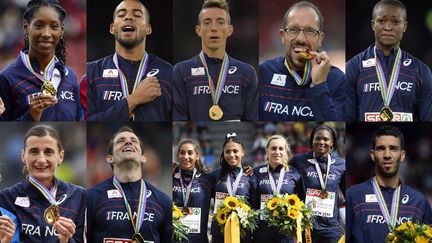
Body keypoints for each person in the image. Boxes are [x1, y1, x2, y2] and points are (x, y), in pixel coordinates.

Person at [346, 0, 432, 122]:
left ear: (405, 27)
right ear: (373, 25)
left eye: (396, 22)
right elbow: (347, 119)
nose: (388, 27)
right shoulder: (353, 68)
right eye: (381, 21)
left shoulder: (421, 71)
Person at [87, 0, 172, 121]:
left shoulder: (168, 73)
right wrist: (135, 99)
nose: (128, 17)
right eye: (121, 15)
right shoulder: (91, 72)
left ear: (148, 29)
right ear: (112, 28)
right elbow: (88, 122)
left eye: (137, 15)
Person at [258, 1, 345, 121]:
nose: (301, 39)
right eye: (293, 29)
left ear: (320, 39)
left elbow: (330, 126)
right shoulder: (264, 73)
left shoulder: (338, 80)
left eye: (310, 31)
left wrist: (319, 85)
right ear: (283, 36)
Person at [173, 0, 258, 121]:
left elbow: (253, 119)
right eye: (207, 22)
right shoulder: (182, 71)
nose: (213, 28)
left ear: (230, 30)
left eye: (220, 22)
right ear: (198, 30)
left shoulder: (246, 72)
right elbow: (178, 119)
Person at [0, 124, 86, 242]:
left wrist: (66, 241)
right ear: (23, 156)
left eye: (48, 152)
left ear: (60, 156)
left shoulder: (79, 196)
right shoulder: (6, 198)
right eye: (34, 152)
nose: (41, 160)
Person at [346, 125, 432, 242]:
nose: (387, 155)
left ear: (402, 155)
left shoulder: (419, 202)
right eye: (381, 148)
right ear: (372, 155)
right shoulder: (353, 196)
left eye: (393, 148)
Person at [87, 126, 172, 242]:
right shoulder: (92, 197)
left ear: (143, 157)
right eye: (121, 141)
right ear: (110, 158)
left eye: (134, 141)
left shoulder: (163, 202)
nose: (128, 142)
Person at [0, 0, 81, 121]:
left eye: (54, 26)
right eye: (39, 25)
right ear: (26, 28)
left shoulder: (70, 76)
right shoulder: (7, 78)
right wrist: (31, 116)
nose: (46, 33)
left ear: (61, 31)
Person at [289, 125, 345, 242]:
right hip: (307, 225)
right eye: (318, 138)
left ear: (332, 142)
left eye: (325, 139)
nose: (321, 142)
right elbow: (282, 172)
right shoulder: (299, 161)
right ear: (312, 141)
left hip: (331, 228)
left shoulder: (341, 164)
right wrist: (253, 171)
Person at [252, 135, 300, 243]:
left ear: (285, 151)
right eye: (273, 148)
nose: (277, 152)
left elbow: (300, 202)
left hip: (286, 235)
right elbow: (252, 202)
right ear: (267, 151)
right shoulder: (256, 172)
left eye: (281, 148)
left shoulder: (294, 173)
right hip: (262, 234)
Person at [210, 132, 255, 242]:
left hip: (243, 231)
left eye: (235, 151)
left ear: (243, 152)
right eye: (227, 151)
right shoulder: (215, 175)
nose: (231, 155)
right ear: (223, 153)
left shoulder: (250, 176)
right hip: (219, 232)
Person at [172, 139, 213, 243]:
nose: (186, 157)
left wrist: (244, 170)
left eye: (190, 153)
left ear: (197, 156)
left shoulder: (207, 179)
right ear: (177, 156)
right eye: (182, 153)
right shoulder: (171, 176)